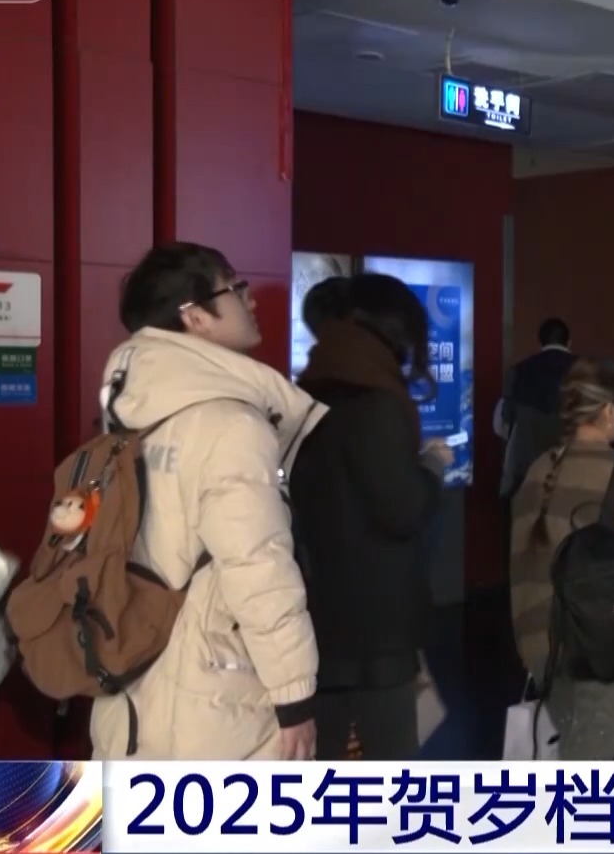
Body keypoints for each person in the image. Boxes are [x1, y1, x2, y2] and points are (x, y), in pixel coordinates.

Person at [90, 243, 324, 759]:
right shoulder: (230, 425)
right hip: (217, 700)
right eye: (235, 288)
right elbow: (257, 565)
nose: (251, 300)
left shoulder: (128, 412)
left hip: (130, 675)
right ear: (194, 316)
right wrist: (294, 696)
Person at [291, 273, 451, 759]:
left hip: (317, 614)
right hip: (377, 626)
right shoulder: (376, 401)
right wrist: (432, 466)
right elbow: (402, 509)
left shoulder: (309, 392)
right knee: (390, 760)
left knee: (325, 757)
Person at [510, 358, 614, 759]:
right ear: (610, 411)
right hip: (604, 650)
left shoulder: (538, 470)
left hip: (542, 649)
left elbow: (522, 566)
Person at [497, 318, 579, 538]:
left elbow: (503, 423)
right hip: (575, 473)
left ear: (539, 342)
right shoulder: (584, 372)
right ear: (569, 342)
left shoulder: (518, 372)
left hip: (527, 473)